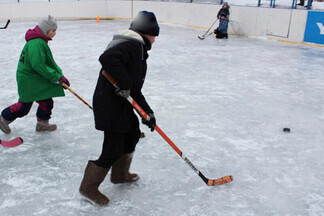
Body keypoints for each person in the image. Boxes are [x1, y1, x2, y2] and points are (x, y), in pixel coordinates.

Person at [79, 10, 159, 206]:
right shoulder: (132, 44)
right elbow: (107, 58)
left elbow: (134, 90)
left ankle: (120, 174)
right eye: (154, 35)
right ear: (146, 32)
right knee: (113, 149)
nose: (155, 40)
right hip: (109, 105)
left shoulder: (139, 51)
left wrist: (147, 112)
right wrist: (123, 80)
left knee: (132, 134)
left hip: (120, 104)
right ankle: (88, 188)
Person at [0, 15, 70, 134]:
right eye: (53, 31)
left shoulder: (41, 41)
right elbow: (38, 65)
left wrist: (60, 76)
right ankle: (3, 119)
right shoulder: (36, 43)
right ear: (45, 30)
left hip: (35, 77)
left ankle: (42, 123)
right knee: (24, 106)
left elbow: (49, 62)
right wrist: (55, 77)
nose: (55, 33)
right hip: (29, 79)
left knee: (46, 101)